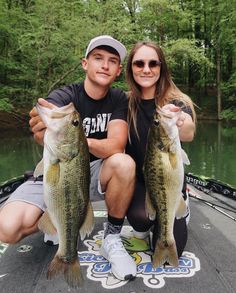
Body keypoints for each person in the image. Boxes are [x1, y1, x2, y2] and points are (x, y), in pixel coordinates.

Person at [0, 35, 137, 281]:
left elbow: (116, 145)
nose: (105, 65)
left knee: (124, 163)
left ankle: (112, 237)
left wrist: (75, 138)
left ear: (117, 71)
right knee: (7, 229)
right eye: (98, 58)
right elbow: (44, 128)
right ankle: (56, 223)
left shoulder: (119, 99)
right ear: (85, 63)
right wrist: (42, 126)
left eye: (112, 61)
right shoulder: (65, 95)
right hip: (54, 174)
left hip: (93, 174)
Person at [125, 41, 196, 257]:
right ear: (131, 69)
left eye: (153, 63)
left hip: (170, 182)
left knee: (174, 246)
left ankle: (183, 204)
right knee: (140, 217)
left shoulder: (178, 101)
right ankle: (145, 227)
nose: (146, 69)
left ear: (161, 67)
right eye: (139, 63)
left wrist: (180, 119)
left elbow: (189, 133)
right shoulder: (125, 103)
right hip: (140, 181)